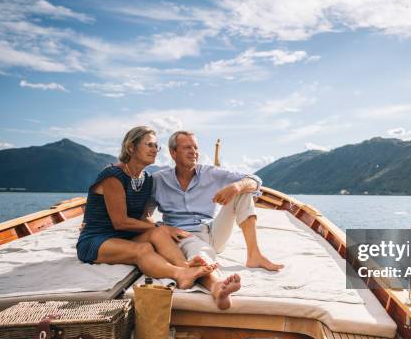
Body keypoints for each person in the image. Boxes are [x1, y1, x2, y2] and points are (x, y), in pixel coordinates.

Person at [76, 126, 242, 305]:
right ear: (131, 147)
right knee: (144, 248)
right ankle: (179, 273)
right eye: (149, 145)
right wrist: (163, 226)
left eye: (157, 146)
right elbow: (121, 222)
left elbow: (143, 217)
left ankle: (189, 270)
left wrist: (162, 229)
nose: (155, 149)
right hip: (98, 239)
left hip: (124, 236)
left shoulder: (146, 179)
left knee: (160, 233)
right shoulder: (113, 176)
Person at [150, 131, 284, 275]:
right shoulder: (158, 180)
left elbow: (255, 181)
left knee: (243, 191)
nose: (193, 152)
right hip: (184, 236)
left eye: (195, 148)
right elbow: (145, 215)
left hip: (214, 232)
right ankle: (205, 272)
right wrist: (163, 229)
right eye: (187, 147)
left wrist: (236, 186)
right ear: (173, 152)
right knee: (202, 256)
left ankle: (254, 255)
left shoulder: (211, 173)